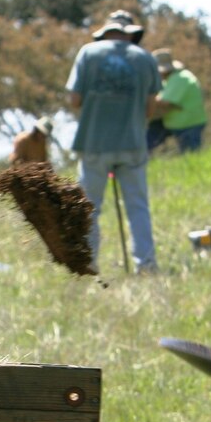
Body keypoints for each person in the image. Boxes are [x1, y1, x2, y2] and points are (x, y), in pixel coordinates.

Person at [66, 15, 161, 274]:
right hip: (132, 142)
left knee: (88, 208)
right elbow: (151, 107)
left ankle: (87, 264)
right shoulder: (145, 58)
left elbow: (75, 99)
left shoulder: (88, 53)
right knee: (137, 207)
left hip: (94, 141)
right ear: (130, 35)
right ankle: (147, 264)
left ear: (105, 33)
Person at [147, 48, 208, 153]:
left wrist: (148, 99)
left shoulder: (179, 78)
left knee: (190, 155)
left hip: (188, 124)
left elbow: (164, 101)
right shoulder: (171, 78)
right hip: (174, 121)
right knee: (149, 141)